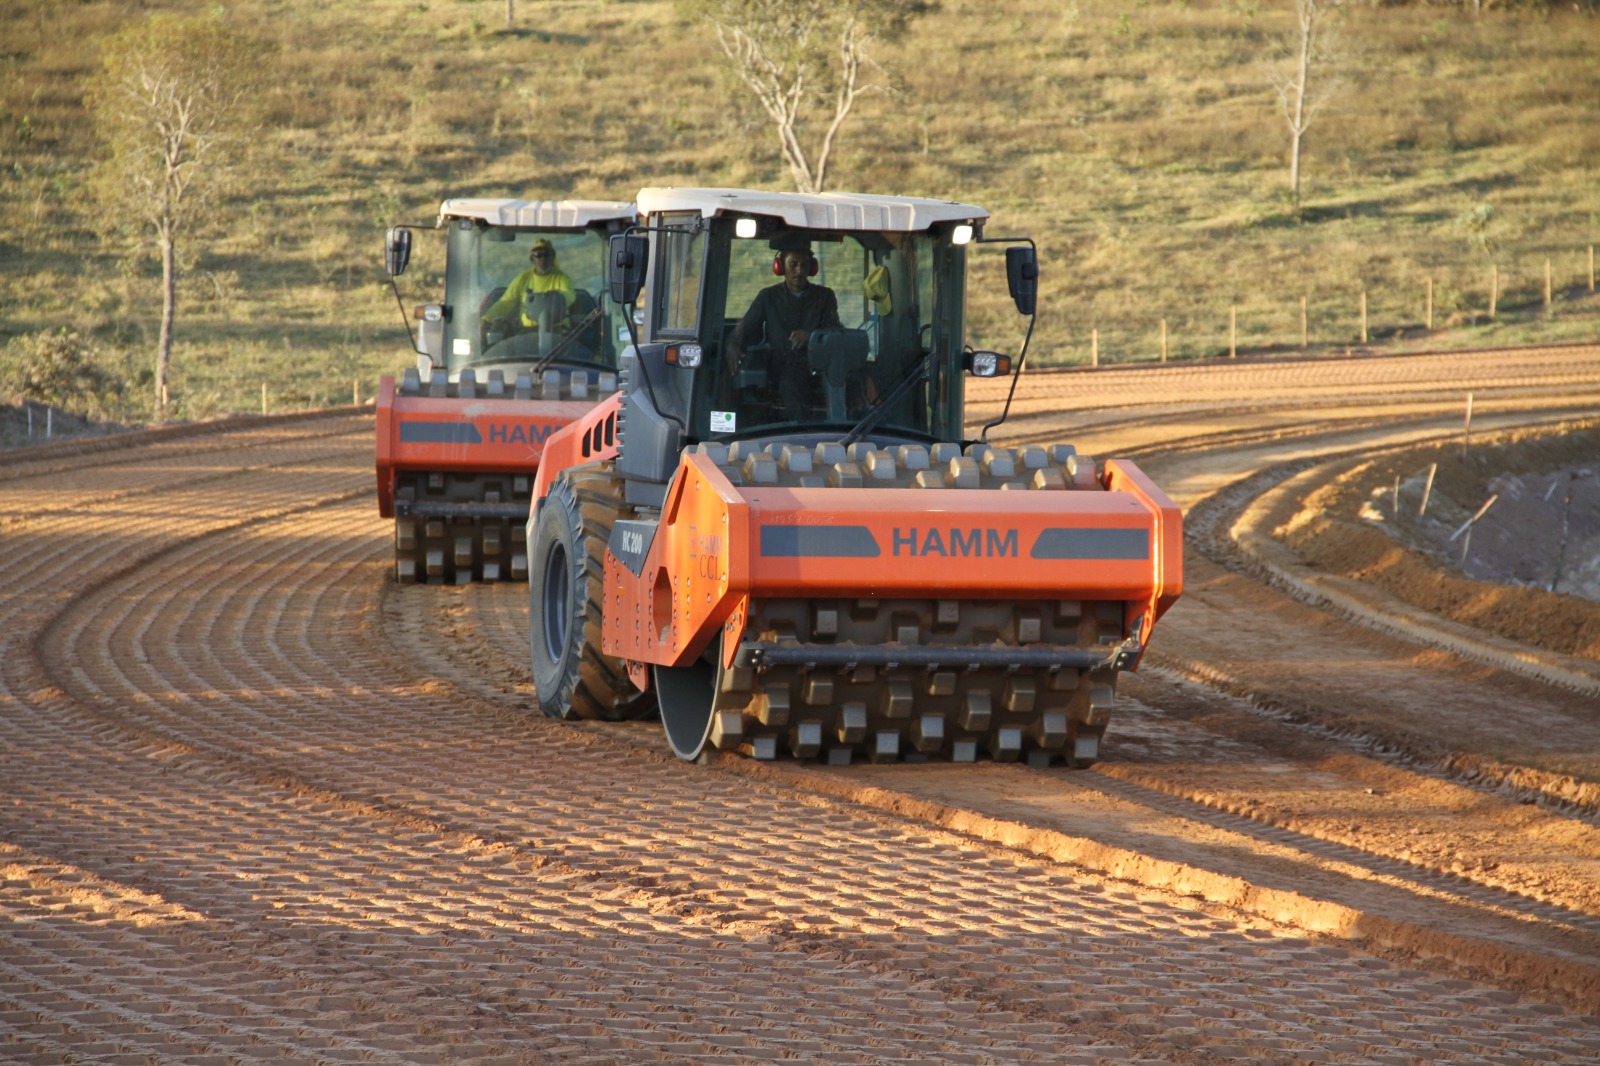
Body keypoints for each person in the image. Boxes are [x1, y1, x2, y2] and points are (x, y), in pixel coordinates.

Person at [728, 244, 841, 415]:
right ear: (780, 267)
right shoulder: (768, 296)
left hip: (819, 365)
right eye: (793, 264)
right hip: (780, 366)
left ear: (812, 268)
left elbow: (834, 330)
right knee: (791, 384)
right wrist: (732, 345)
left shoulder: (825, 296)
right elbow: (744, 329)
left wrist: (811, 336)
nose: (799, 271)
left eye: (804, 265)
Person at [483, 238, 576, 335]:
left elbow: (569, 295)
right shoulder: (522, 279)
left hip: (559, 333)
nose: (543, 258)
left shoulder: (563, 279)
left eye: (547, 254)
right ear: (532, 259)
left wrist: (556, 297)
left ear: (553, 258)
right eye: (538, 255)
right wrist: (486, 318)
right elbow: (506, 302)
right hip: (526, 333)